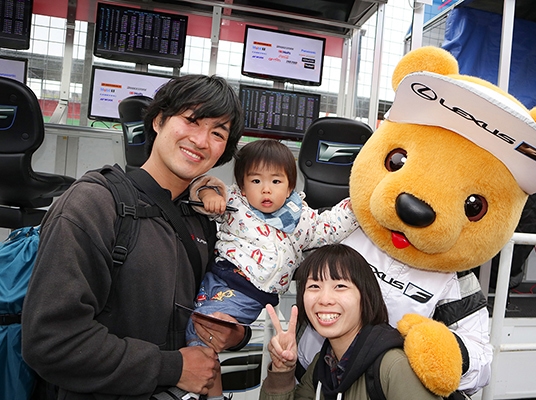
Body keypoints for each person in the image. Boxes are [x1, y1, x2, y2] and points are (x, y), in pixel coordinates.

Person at [21, 74, 250, 400]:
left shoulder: (203, 220)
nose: (201, 140)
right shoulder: (95, 204)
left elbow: (217, 301)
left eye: (217, 133)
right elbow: (51, 341)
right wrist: (172, 367)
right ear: (158, 120)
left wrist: (234, 333)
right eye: (191, 120)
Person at [185, 139, 359, 399]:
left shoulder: (300, 218)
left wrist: (358, 203)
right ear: (243, 186)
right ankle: (213, 395)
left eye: (276, 182)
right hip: (228, 284)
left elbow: (329, 226)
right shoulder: (234, 204)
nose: (266, 190)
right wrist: (209, 195)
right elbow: (202, 186)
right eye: (256, 181)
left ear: (290, 186)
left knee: (207, 333)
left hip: (261, 299)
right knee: (203, 331)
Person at [259, 244, 441, 400]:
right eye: (314, 286)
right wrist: (282, 370)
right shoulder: (324, 363)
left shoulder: (394, 366)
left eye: (340, 286)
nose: (325, 299)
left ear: (365, 296)